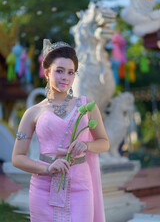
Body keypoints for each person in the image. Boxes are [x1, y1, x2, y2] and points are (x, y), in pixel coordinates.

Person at [12, 40, 110, 222]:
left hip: (80, 185)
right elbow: (17, 157)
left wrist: (86, 145)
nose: (65, 77)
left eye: (70, 72)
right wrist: (47, 168)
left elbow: (104, 142)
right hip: (43, 187)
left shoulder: (86, 106)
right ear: (47, 72)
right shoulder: (33, 112)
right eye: (59, 71)